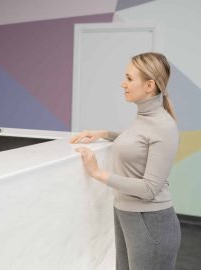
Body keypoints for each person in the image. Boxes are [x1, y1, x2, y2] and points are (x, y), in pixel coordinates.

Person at [70, 52, 181, 270]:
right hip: (128, 216)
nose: (123, 84)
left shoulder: (163, 125)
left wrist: (97, 173)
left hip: (151, 224)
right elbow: (138, 140)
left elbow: (149, 188)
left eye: (129, 78)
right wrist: (104, 133)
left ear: (149, 86)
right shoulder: (145, 118)